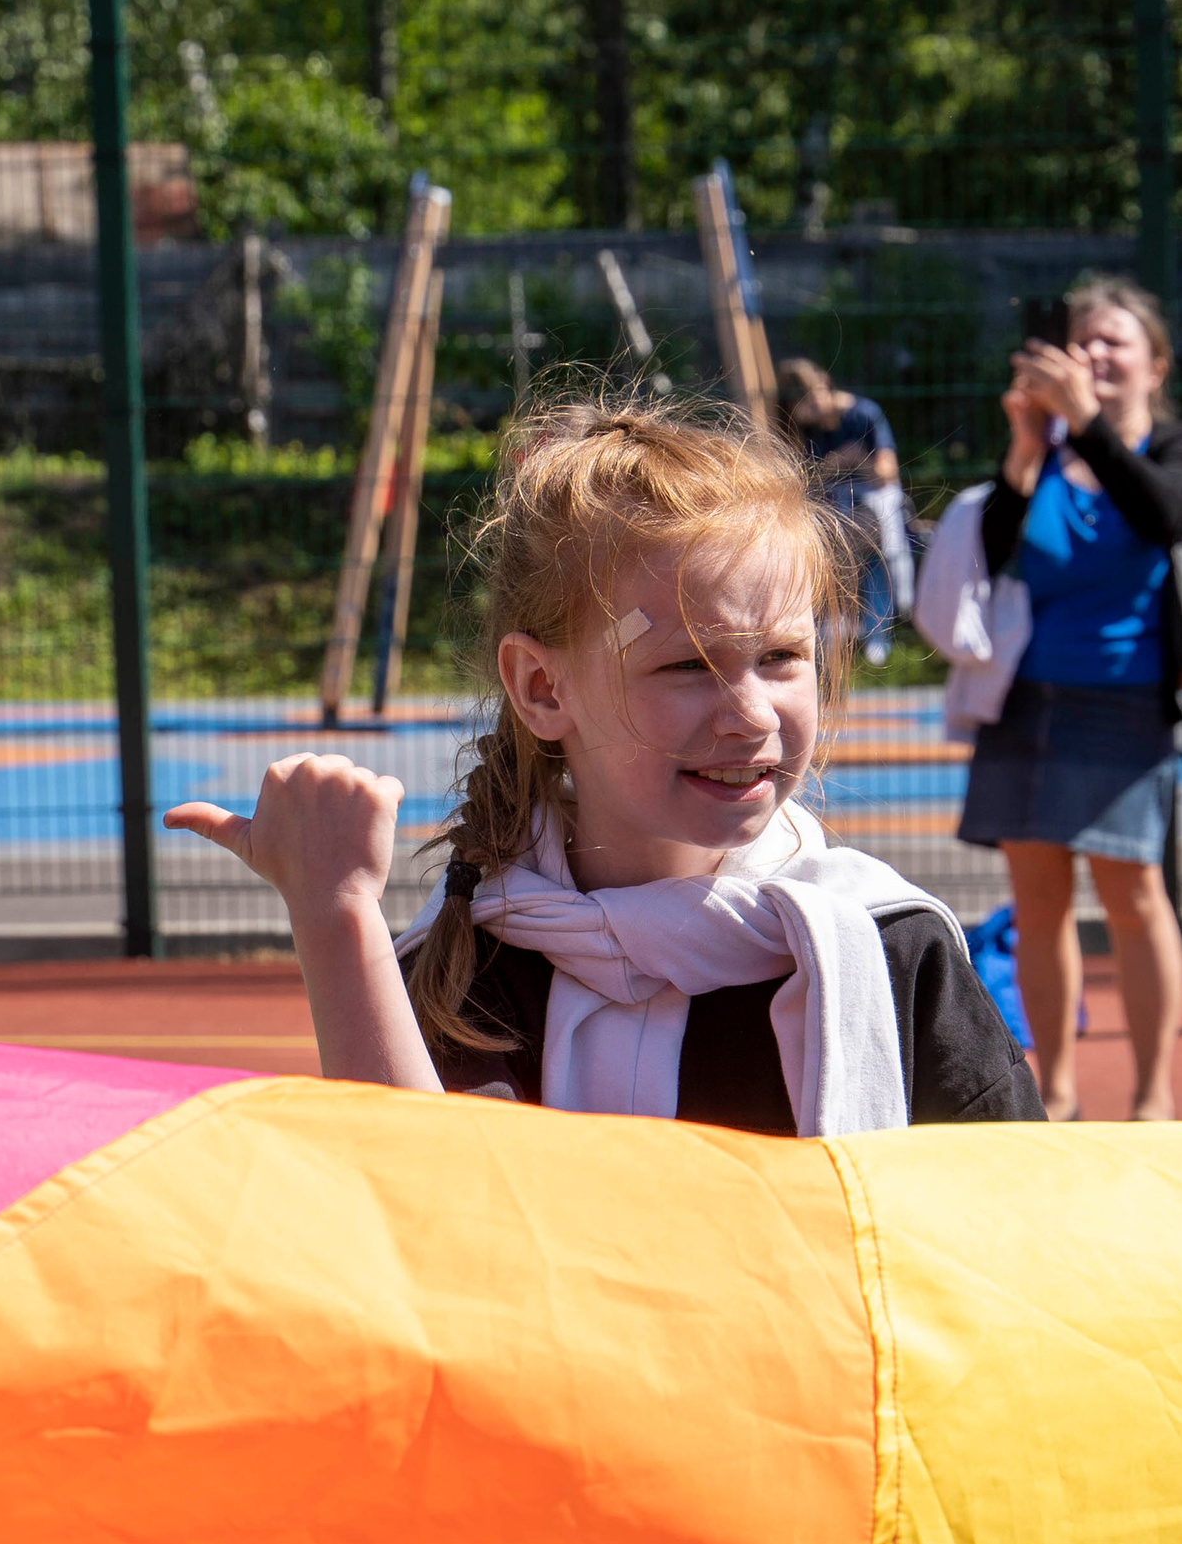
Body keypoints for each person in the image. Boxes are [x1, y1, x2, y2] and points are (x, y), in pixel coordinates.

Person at [166, 394, 1042, 1132]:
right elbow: (404, 1230)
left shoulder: (889, 956)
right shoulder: (464, 965)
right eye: (688, 665)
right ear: (543, 688)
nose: (749, 715)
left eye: (781, 657)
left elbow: (1007, 1243)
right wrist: (335, 914)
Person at [948, 277, 1182, 1122]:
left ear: (1154, 362)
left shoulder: (1177, 444)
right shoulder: (1054, 453)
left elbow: (1165, 515)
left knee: (1134, 894)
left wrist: (1089, 428)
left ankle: (1151, 1096)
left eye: (1114, 341)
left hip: (1126, 702)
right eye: (1083, 340)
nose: (1094, 354)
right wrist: (1025, 448)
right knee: (1038, 903)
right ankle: (1055, 1092)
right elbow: (991, 554)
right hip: (1029, 702)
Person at [774, 356, 909, 669]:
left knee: (876, 553)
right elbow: (802, 480)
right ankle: (828, 635)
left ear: (824, 385)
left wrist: (855, 460)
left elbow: (887, 473)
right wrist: (831, 465)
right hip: (831, 509)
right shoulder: (803, 426)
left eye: (813, 398)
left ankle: (878, 636)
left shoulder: (864, 413)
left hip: (871, 505)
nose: (814, 410)